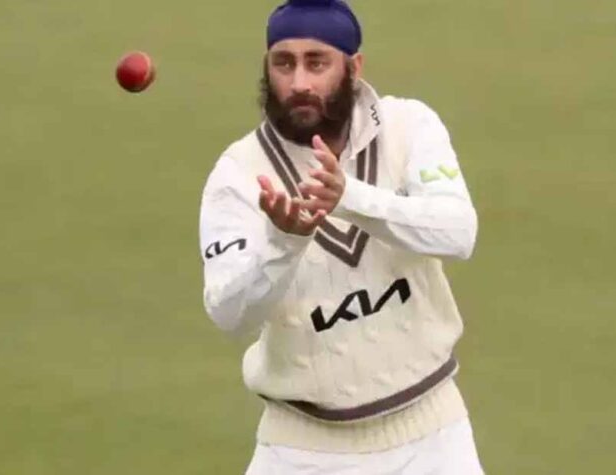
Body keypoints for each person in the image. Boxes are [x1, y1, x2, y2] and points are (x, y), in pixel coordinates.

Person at [198, 0, 484, 473]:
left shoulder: (408, 125)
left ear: (354, 67)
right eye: (283, 63)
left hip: (433, 440)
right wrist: (283, 244)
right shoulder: (238, 174)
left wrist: (349, 197)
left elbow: (458, 232)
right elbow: (229, 314)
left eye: (317, 63)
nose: (299, 83)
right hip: (299, 450)